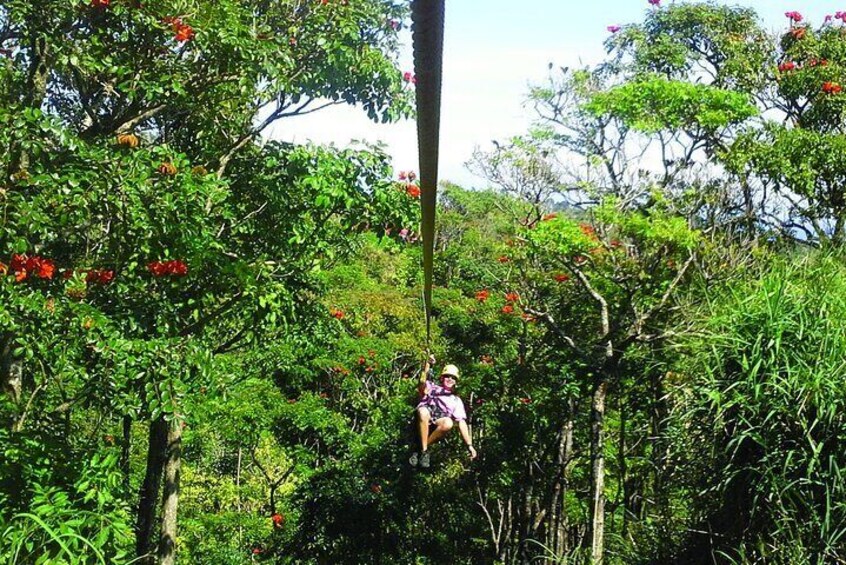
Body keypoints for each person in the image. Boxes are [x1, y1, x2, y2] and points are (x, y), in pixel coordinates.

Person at [409, 354, 477, 469]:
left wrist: (469, 445)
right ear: (442, 378)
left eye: (453, 377)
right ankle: (423, 449)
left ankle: (421, 450)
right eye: (447, 376)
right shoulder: (432, 388)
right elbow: (422, 383)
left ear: (456, 382)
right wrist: (428, 365)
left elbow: (461, 422)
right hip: (424, 418)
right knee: (423, 412)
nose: (450, 379)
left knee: (449, 423)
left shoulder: (456, 400)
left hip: (438, 424)